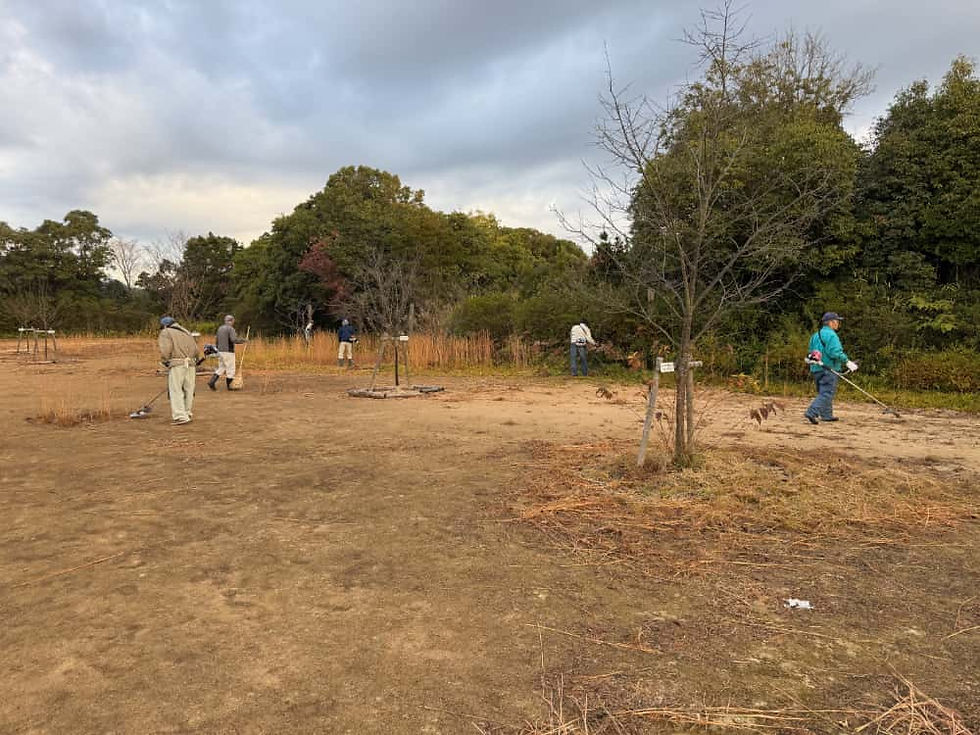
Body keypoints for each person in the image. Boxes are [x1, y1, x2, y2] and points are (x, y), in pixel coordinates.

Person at [804, 312, 858, 425]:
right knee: (827, 393)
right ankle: (811, 412)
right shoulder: (832, 335)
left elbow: (810, 352)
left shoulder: (815, 335)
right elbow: (835, 352)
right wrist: (847, 362)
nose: (838, 323)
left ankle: (826, 415)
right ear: (831, 322)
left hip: (816, 369)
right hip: (829, 368)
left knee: (823, 392)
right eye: (837, 321)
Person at [158, 316, 200, 425]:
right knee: (189, 390)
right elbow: (196, 350)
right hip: (191, 364)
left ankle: (180, 416)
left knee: (176, 390)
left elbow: (166, 349)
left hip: (177, 364)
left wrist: (165, 361)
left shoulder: (166, 332)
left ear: (165, 325)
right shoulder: (187, 332)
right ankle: (187, 412)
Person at [208, 315, 248, 391]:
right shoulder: (231, 329)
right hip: (228, 352)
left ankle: (211, 382)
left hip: (220, 351)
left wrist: (218, 349)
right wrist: (243, 340)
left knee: (221, 367)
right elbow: (233, 339)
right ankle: (230, 386)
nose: (233, 323)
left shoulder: (220, 328)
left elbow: (217, 340)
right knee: (231, 368)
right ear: (231, 321)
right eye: (233, 321)